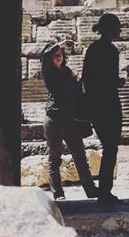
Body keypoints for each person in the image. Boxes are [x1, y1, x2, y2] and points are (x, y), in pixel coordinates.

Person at [41, 40, 99, 201]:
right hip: (54, 119)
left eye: (60, 54)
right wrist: (61, 44)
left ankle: (91, 190)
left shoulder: (67, 71)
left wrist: (78, 79)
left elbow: (77, 93)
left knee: (80, 155)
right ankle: (58, 193)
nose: (57, 57)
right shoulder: (48, 72)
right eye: (55, 55)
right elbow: (45, 54)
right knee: (54, 157)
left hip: (70, 119)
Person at [82, 13, 125, 206]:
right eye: (117, 26)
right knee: (111, 148)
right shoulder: (111, 51)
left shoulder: (92, 49)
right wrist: (119, 82)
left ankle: (104, 191)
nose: (120, 30)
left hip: (94, 104)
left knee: (109, 147)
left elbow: (88, 79)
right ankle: (105, 192)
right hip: (109, 104)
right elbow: (110, 80)